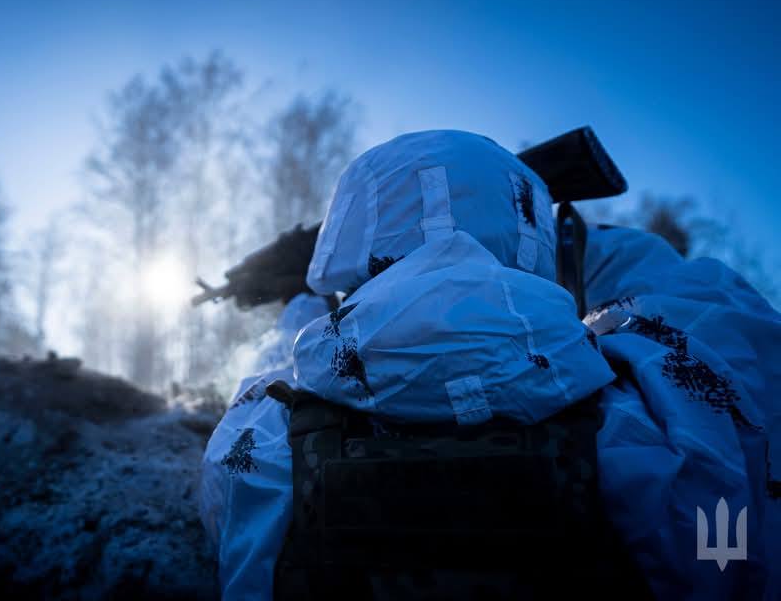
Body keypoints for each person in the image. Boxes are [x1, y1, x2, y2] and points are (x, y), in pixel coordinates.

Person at [199, 130, 780, 600]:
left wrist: (304, 306)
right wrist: (525, 222)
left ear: (342, 247)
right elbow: (726, 323)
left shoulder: (260, 444)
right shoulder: (673, 429)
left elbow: (286, 366)